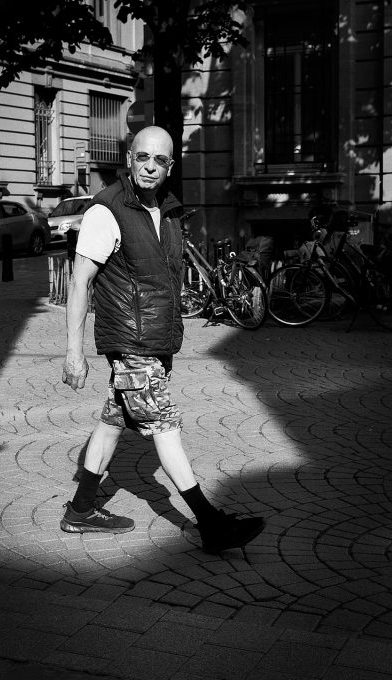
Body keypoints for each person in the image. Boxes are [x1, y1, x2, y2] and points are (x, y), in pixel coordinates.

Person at [59, 126, 265, 553]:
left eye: (161, 160)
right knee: (164, 425)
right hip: (132, 345)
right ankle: (210, 524)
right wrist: (73, 352)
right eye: (143, 158)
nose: (150, 167)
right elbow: (80, 284)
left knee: (114, 420)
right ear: (129, 158)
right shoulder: (107, 211)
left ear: (171, 166)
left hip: (155, 341)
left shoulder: (167, 211)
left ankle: (80, 510)